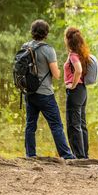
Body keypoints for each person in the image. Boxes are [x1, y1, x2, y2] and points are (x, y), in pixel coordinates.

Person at [24, 19, 75, 159]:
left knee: (30, 125)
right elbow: (56, 75)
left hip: (29, 92)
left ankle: (30, 155)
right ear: (46, 33)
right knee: (56, 125)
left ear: (32, 32)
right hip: (45, 93)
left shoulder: (26, 47)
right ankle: (67, 156)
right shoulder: (48, 50)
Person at [63, 27, 90, 159]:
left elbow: (78, 70)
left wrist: (72, 85)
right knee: (81, 124)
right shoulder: (82, 54)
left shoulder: (73, 55)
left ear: (68, 40)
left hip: (76, 91)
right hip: (83, 91)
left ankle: (78, 156)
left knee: (74, 124)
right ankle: (84, 155)